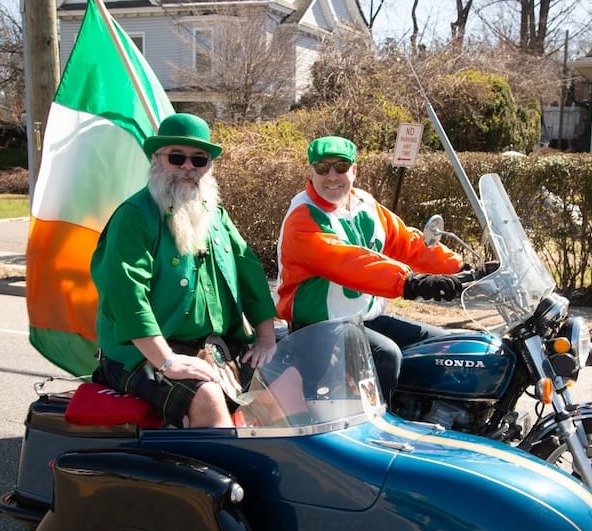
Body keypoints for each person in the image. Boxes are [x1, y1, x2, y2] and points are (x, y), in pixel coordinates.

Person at [91, 113, 278, 428]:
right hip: (142, 352)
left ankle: (277, 460)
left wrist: (266, 339)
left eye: (199, 159)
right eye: (176, 157)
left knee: (286, 381)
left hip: (213, 345)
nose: (188, 167)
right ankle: (223, 459)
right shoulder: (134, 216)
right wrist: (167, 361)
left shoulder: (215, 215)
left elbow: (250, 274)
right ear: (156, 160)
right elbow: (126, 295)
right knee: (207, 397)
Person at [275, 135, 464, 401]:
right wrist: (409, 282)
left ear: (354, 169)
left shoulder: (364, 203)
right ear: (311, 171)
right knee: (386, 355)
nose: (332, 176)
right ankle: (379, 425)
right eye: (322, 167)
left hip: (364, 319)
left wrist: (459, 267)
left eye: (341, 166)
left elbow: (406, 242)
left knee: (446, 346)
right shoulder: (303, 215)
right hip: (318, 327)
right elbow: (347, 262)